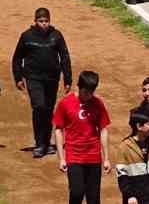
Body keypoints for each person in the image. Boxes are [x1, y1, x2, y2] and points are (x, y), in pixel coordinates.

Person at [12, 7, 72, 158]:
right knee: (39, 106)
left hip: (52, 78)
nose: (44, 24)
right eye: (41, 21)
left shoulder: (56, 36)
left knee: (48, 109)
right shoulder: (27, 36)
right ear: (35, 21)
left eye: (46, 21)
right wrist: (18, 77)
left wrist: (67, 79)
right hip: (34, 78)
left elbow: (64, 56)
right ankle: (39, 143)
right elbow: (17, 57)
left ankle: (47, 142)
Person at [54, 69, 111, 204]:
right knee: (76, 192)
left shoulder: (98, 104)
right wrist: (61, 158)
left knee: (93, 197)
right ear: (78, 86)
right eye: (86, 92)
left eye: (92, 92)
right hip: (74, 156)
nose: (88, 96)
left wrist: (106, 158)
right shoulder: (65, 103)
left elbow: (103, 130)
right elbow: (58, 130)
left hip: (93, 156)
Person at [113, 111, 149, 204]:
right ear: (139, 126)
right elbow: (122, 175)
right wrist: (129, 195)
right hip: (135, 199)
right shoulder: (124, 147)